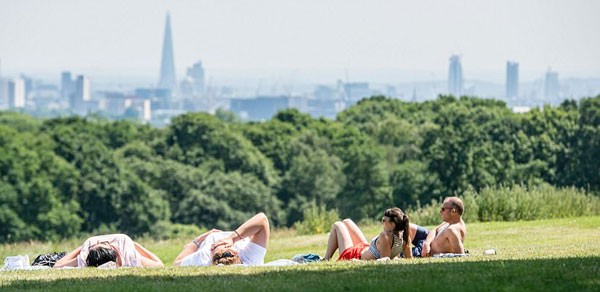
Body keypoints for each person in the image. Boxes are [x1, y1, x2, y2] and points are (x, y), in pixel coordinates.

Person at [173, 212, 270, 266]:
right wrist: (232, 238)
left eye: (216, 247)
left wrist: (200, 239)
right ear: (237, 254)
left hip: (205, 240)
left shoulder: (203, 258)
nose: (221, 243)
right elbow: (262, 219)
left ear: (211, 252)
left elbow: (176, 263)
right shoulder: (250, 259)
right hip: (240, 235)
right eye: (226, 247)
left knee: (186, 247)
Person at [323, 207, 412, 261]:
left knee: (337, 225)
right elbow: (409, 258)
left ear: (392, 224)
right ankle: (325, 258)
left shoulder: (385, 236)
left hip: (354, 255)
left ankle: (326, 259)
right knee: (347, 221)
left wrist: (359, 262)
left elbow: (385, 259)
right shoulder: (404, 236)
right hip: (364, 248)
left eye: (384, 220)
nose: (382, 223)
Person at [53, 234, 164, 268]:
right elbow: (159, 265)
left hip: (120, 242)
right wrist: (136, 245)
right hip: (122, 242)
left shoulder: (85, 258)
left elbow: (57, 266)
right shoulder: (130, 257)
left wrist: (80, 249)